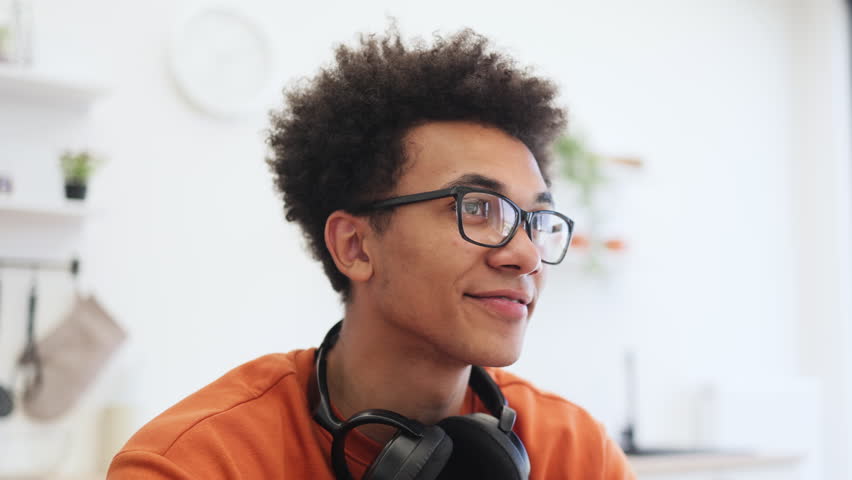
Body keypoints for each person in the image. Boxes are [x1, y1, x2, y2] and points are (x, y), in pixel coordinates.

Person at [108, 26, 635, 479]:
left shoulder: (576, 454)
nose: (525, 255)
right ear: (355, 246)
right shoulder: (197, 463)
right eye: (478, 208)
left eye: (535, 220)